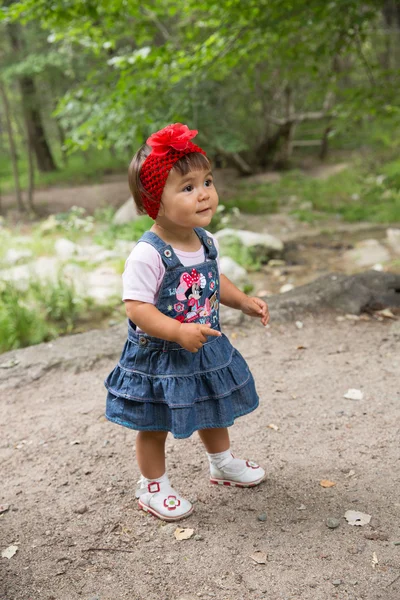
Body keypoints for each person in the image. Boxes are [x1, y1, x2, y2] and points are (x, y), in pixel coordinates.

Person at [105, 123, 270, 522]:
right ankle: (153, 487)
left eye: (207, 182)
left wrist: (243, 301)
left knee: (215, 407)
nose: (204, 193)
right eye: (187, 187)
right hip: (161, 356)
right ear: (152, 202)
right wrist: (178, 330)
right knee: (154, 422)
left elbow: (214, 281)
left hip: (204, 348)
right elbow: (138, 308)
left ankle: (222, 462)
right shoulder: (148, 254)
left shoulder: (203, 239)